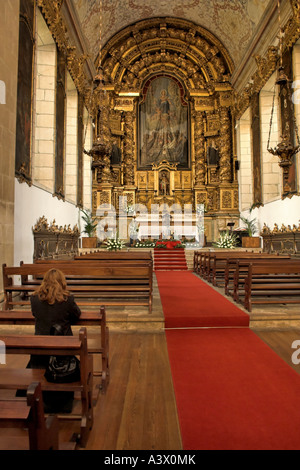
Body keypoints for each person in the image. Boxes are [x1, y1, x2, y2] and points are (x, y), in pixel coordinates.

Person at [29, 268, 82, 412]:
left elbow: (35, 314)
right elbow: (77, 315)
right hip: (63, 349)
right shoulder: (67, 299)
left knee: (37, 366)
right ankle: (61, 401)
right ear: (62, 282)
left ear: (44, 281)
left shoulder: (34, 298)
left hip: (40, 348)